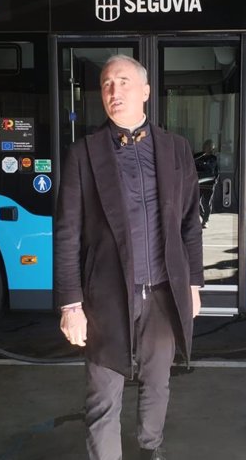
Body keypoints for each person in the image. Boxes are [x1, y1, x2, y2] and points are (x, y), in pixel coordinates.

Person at [55, 54, 203, 460]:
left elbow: (190, 222)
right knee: (104, 392)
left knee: (158, 381)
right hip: (104, 297)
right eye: (106, 84)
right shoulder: (83, 154)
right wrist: (71, 304)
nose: (113, 91)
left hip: (162, 291)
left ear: (145, 92)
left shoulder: (176, 149)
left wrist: (193, 284)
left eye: (122, 82)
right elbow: (67, 232)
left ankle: (151, 447)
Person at [194, 139, 219, 229]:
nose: (208, 148)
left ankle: (205, 220)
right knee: (196, 202)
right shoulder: (199, 156)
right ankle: (204, 216)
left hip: (209, 183)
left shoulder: (213, 158)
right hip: (199, 183)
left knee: (207, 203)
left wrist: (215, 180)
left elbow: (211, 168)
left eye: (210, 147)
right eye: (206, 146)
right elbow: (192, 163)